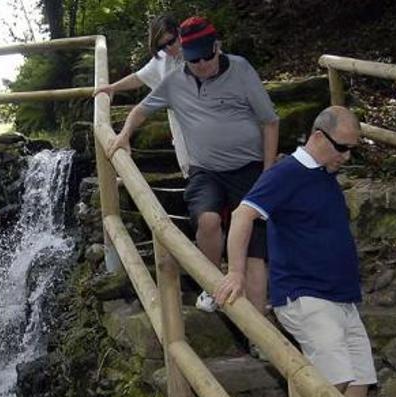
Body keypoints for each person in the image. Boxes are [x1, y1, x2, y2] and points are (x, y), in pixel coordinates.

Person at [214, 106, 377, 397]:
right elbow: (242, 215)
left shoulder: (324, 176)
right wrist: (235, 272)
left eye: (353, 149)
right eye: (343, 148)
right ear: (319, 137)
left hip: (341, 299)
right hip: (306, 296)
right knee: (331, 386)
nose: (347, 157)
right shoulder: (287, 173)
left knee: (359, 383)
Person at [107, 16, 279, 314]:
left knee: (253, 249)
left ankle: (259, 329)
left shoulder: (240, 69)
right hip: (205, 170)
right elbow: (140, 110)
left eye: (206, 57)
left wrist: (267, 172)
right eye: (192, 59)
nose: (200, 65)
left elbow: (270, 121)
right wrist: (123, 136)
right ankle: (211, 285)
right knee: (208, 220)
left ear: (217, 46)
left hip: (249, 168)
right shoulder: (175, 80)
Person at [93, 14, 195, 177]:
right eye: (162, 46)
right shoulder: (163, 59)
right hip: (185, 137)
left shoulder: (201, 53)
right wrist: (112, 87)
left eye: (171, 41)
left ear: (179, 32)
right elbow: (139, 77)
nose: (169, 48)